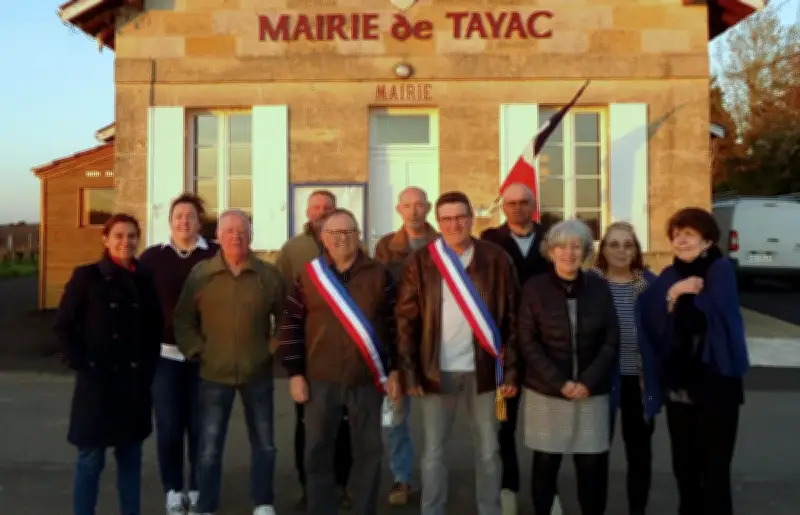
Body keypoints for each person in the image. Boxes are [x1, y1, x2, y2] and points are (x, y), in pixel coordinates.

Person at [396, 191, 519, 515]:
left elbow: (513, 319)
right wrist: (410, 372)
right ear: (438, 222)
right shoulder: (420, 262)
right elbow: (405, 322)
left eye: (461, 217)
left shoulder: (496, 259)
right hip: (436, 371)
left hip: (485, 371)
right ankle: (432, 510)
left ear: (471, 219)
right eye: (447, 219)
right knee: (434, 451)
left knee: (489, 450)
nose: (454, 225)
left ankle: (489, 509)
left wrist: (510, 370)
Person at [278, 208, 400, 515]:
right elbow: (291, 324)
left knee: (368, 452)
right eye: (334, 233)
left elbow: (396, 325)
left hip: (367, 380)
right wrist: (295, 373)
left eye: (348, 232)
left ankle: (363, 509)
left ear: (358, 235)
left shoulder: (380, 274)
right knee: (317, 451)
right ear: (323, 237)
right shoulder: (309, 275)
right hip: (320, 379)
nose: (341, 238)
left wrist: (396, 370)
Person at [173, 209, 286, 515]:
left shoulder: (267, 275)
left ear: (251, 236)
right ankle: (207, 505)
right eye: (230, 231)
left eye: (242, 231)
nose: (236, 236)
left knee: (265, 444)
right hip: (213, 373)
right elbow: (183, 319)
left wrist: (271, 349)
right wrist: (197, 350)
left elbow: (286, 318)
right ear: (218, 237)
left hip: (256, 372)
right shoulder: (201, 274)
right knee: (209, 448)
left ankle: (263, 502)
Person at [638, 208, 749, 515]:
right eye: (676, 235)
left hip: (716, 382)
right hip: (679, 385)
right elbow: (652, 318)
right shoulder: (669, 275)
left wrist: (682, 300)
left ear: (707, 240)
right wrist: (674, 294)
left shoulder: (720, 269)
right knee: (684, 467)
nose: (681, 241)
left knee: (715, 470)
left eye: (689, 234)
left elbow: (712, 316)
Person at [55, 213, 163, 515]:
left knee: (131, 459)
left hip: (133, 385)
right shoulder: (86, 277)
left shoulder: (145, 278)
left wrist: (147, 368)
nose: (125, 242)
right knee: (90, 459)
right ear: (106, 240)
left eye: (131, 236)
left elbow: (154, 327)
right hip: (97, 385)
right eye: (118, 235)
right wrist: (83, 362)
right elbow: (63, 325)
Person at [518, 219, 619, 515]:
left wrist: (587, 381)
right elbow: (527, 341)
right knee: (546, 464)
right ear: (550, 251)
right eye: (561, 246)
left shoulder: (600, 287)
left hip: (591, 392)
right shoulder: (535, 288)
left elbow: (611, 340)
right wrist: (560, 382)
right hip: (547, 391)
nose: (568, 253)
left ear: (585, 251)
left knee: (592, 467)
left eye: (576, 246)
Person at [140, 193, 219, 515]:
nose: (184, 221)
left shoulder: (215, 254)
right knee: (170, 428)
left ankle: (198, 488)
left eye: (190, 216)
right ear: (170, 221)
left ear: (200, 222)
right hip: (165, 358)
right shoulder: (152, 257)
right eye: (178, 216)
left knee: (201, 429)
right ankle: (173, 489)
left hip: (205, 358)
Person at [276, 189, 352, 510]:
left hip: (347, 354)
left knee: (344, 427)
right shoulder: (293, 250)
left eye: (327, 207)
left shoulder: (353, 247)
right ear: (307, 212)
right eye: (316, 207)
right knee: (308, 428)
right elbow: (282, 302)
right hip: (308, 355)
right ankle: (309, 487)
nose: (321, 211)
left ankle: (342, 485)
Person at [479, 182, 551, 515]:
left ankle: (547, 491)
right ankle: (508, 486)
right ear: (503, 207)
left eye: (524, 202)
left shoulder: (551, 236)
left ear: (533, 205)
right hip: (504, 340)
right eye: (511, 203)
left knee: (546, 421)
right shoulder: (490, 241)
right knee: (504, 422)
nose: (518, 207)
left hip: (546, 341)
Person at [373, 186, 438, 506]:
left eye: (419, 205)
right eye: (407, 205)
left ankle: (435, 480)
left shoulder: (444, 243)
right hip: (399, 341)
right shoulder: (385, 247)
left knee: (437, 420)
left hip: (437, 342)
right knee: (396, 416)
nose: (413, 211)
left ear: (428, 208)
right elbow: (379, 294)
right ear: (399, 210)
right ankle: (402, 477)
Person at [590, 221, 657, 515]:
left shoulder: (649, 285)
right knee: (595, 454)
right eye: (614, 244)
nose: (621, 251)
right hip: (599, 380)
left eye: (628, 245)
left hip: (638, 382)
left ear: (636, 250)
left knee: (639, 455)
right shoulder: (590, 284)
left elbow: (661, 332)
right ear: (603, 249)